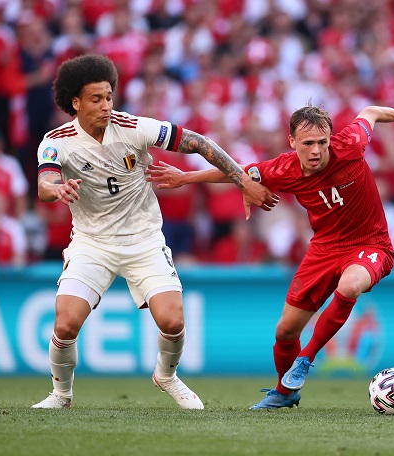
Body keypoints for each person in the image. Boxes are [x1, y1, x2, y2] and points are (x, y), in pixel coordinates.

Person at [146, 103, 394, 409]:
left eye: (322, 142)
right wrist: (185, 178)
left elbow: (371, 112)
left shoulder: (350, 144)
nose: (316, 150)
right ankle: (285, 394)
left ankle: (305, 359)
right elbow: (238, 172)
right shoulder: (284, 168)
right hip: (324, 249)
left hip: (370, 244)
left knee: (350, 285)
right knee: (285, 331)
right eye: (308, 143)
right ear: (292, 141)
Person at [32, 54, 277, 409]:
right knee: (65, 324)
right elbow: (44, 183)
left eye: (109, 96)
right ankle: (61, 394)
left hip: (144, 239)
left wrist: (242, 180)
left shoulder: (133, 127)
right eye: (96, 99)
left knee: (173, 321)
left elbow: (199, 143)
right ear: (75, 102)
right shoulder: (56, 141)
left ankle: (166, 375)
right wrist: (57, 189)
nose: (106, 105)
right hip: (92, 242)